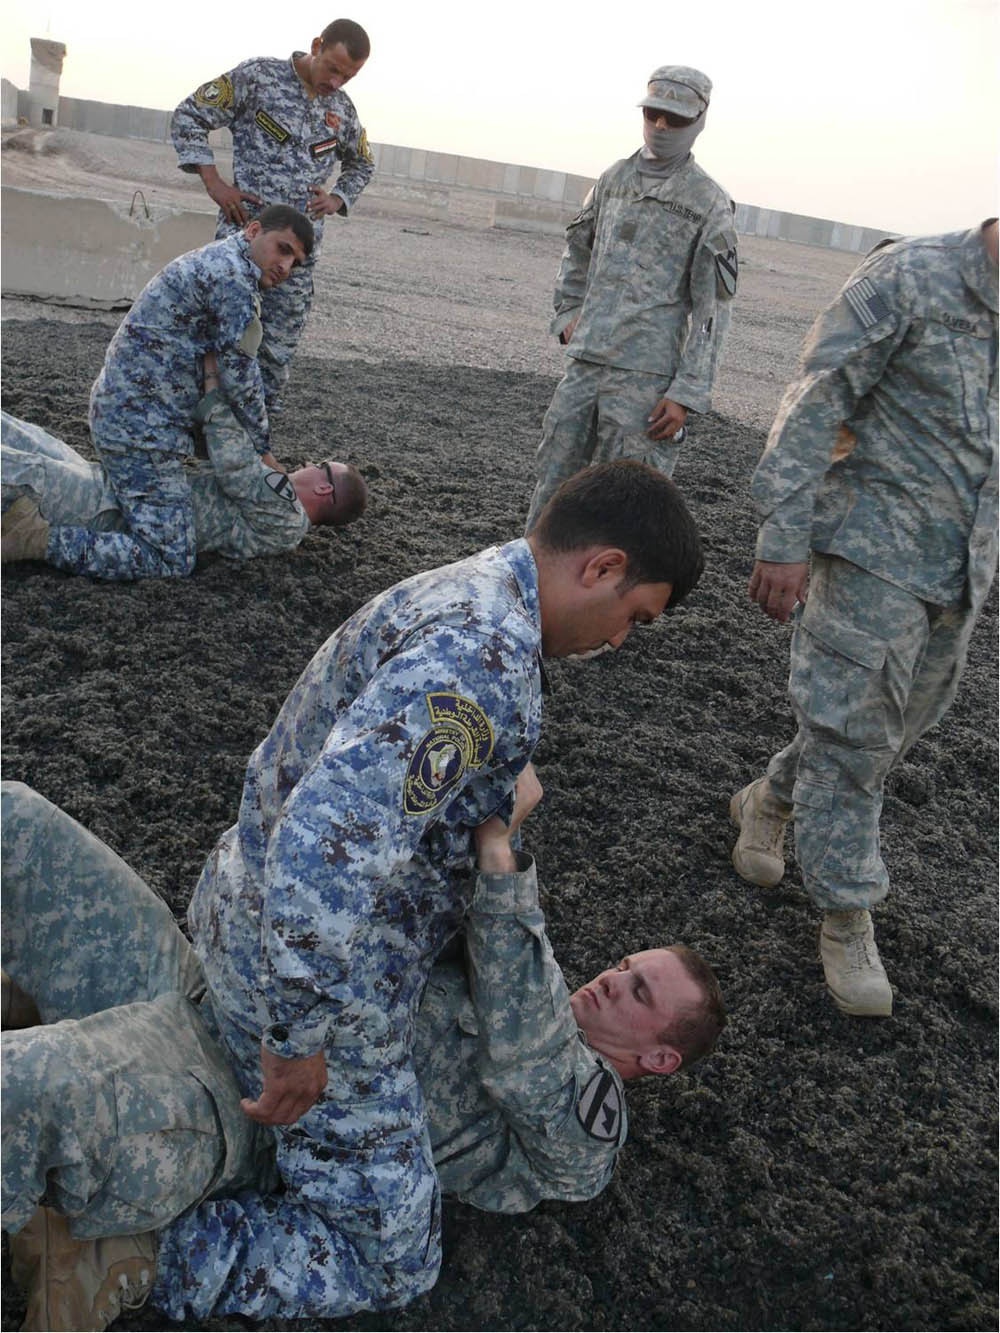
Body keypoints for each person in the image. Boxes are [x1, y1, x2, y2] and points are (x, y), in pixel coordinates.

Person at [5, 458, 705, 1325]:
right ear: (600, 566)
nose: (619, 640)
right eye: (632, 615)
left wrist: (493, 839)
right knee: (394, 1257)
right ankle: (134, 1252)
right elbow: (326, 847)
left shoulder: (469, 591)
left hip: (255, 919)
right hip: (313, 984)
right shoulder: (485, 657)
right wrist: (298, 1036)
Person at [1, 770, 725, 1330]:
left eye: (639, 994)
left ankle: (125, 1253)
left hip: (246, 1108)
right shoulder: (522, 967)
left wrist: (503, 852)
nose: (612, 980)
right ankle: (34, 1001)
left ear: (658, 1058)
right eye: (627, 966)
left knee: (23, 1091)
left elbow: (525, 1058)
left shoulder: (585, 1120)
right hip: (214, 991)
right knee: (17, 820)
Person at [730, 218, 998, 1018]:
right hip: (869, 550)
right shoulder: (911, 278)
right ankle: (847, 915)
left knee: (887, 732)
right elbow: (814, 401)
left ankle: (771, 800)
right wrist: (782, 536)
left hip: (963, 574)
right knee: (855, 741)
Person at [0, 206, 314, 582]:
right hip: (143, 428)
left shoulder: (224, 263)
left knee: (90, 487)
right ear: (253, 231)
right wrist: (263, 449)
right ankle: (35, 538)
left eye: (294, 262)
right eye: (283, 249)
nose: (285, 266)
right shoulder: (232, 279)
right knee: (170, 557)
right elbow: (241, 377)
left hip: (133, 411)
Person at [524, 65, 738, 531]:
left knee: (625, 502)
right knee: (554, 486)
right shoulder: (613, 179)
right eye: (654, 114)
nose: (662, 126)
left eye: (675, 119)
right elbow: (577, 249)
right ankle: (533, 586)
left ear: (699, 121)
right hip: (586, 365)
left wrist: (685, 393)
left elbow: (712, 308)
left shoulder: (708, 202)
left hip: (647, 381)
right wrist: (567, 312)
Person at [172, 18, 375, 411]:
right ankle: (200, 427)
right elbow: (189, 116)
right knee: (219, 336)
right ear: (316, 45)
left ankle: (255, 440)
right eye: (333, 68)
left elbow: (362, 164)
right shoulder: (259, 77)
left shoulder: (343, 112)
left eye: (348, 77)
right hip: (245, 243)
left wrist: (338, 198)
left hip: (296, 262)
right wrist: (214, 183)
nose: (336, 83)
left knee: (275, 351)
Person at [0, 397, 368, 569]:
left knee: (25, 470)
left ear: (324, 488)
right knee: (24, 435)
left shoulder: (286, 517)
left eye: (320, 466)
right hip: (121, 488)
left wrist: (213, 398)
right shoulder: (276, 508)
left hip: (110, 511)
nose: (308, 463)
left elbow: (235, 465)